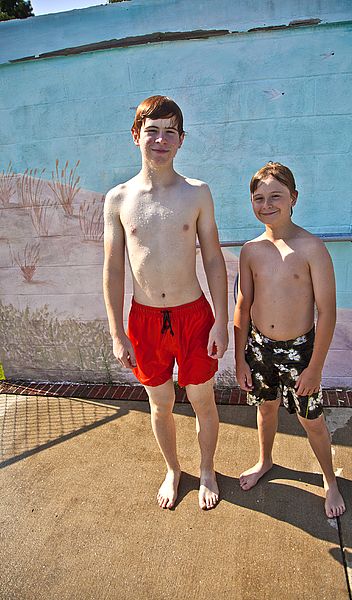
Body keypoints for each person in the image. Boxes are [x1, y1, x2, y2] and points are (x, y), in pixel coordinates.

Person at [103, 95, 228, 510]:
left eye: (169, 131)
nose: (160, 139)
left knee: (202, 400)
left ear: (181, 140)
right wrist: (117, 331)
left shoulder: (197, 193)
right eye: (152, 131)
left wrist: (220, 321)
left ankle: (207, 469)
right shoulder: (118, 199)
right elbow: (114, 269)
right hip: (145, 320)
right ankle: (174, 470)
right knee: (160, 405)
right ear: (136, 135)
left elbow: (212, 258)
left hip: (194, 315)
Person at [234, 162, 345, 518]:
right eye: (259, 198)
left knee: (311, 421)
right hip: (260, 348)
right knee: (265, 409)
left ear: (293, 198)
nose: (266, 204)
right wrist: (239, 358)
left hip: (300, 353)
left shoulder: (312, 248)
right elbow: (243, 304)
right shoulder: (250, 250)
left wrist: (315, 368)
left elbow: (326, 312)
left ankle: (330, 480)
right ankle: (265, 460)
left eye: (275, 196)